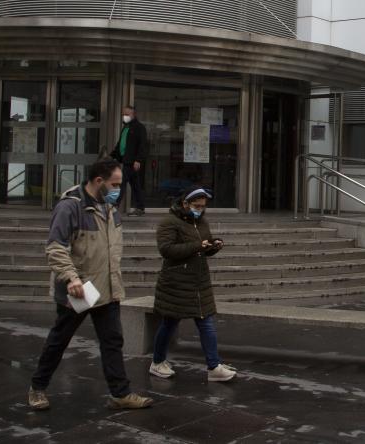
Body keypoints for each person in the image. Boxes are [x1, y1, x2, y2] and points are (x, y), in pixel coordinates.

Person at [28, 158, 153, 410]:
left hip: (106, 288)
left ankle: (120, 393)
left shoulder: (109, 207)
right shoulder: (70, 207)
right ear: (99, 181)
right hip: (81, 289)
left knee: (112, 341)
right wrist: (72, 278)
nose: (119, 189)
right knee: (59, 340)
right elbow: (55, 247)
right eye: (115, 184)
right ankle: (37, 387)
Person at [149, 186, 237, 382]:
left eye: (203, 207)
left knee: (206, 323)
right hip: (176, 283)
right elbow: (167, 250)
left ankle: (214, 366)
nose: (200, 209)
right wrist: (198, 245)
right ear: (185, 203)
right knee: (169, 324)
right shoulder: (169, 222)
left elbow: (203, 247)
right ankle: (157, 362)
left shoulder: (201, 222)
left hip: (199, 282)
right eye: (196, 206)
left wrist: (213, 246)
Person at [111, 105, 147, 216]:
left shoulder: (139, 127)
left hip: (132, 162)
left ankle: (113, 207)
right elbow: (120, 144)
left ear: (133, 115)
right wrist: (112, 155)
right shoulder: (126, 128)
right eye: (124, 114)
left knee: (121, 183)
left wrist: (138, 160)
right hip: (126, 160)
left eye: (127, 114)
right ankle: (140, 208)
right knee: (135, 185)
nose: (125, 116)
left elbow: (142, 145)